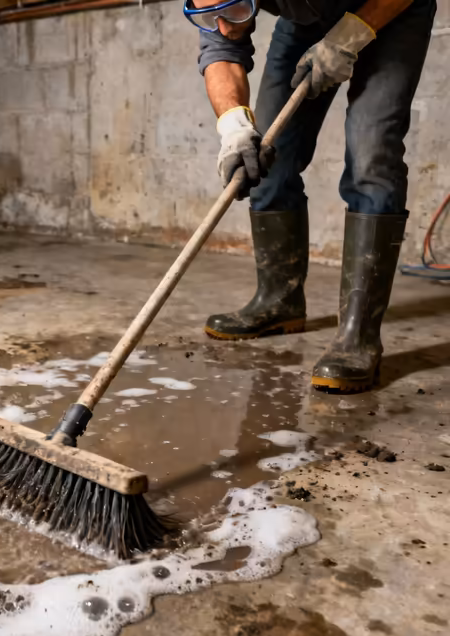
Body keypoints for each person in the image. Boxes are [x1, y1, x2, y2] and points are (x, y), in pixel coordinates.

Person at [183, 0, 436, 393]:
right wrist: (233, 125)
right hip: (309, 17)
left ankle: (357, 337)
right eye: (207, 13)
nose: (223, 25)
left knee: (371, 155)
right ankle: (278, 300)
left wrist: (350, 36)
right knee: (269, 150)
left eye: (235, 11)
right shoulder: (218, 5)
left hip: (391, 10)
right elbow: (220, 49)